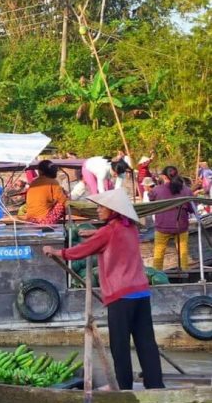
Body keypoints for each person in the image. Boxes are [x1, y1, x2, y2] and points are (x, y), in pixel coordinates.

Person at [43, 189, 164, 390]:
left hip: (121, 295)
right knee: (146, 342)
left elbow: (81, 251)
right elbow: (111, 236)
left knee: (120, 345)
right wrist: (95, 233)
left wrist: (56, 251)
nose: (98, 210)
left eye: (101, 207)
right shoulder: (130, 227)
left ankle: (123, 387)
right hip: (141, 293)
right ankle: (156, 385)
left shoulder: (109, 232)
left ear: (113, 210)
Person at [149, 165, 193, 271]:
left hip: (162, 226)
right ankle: (185, 276)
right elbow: (192, 209)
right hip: (181, 226)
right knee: (183, 253)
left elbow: (151, 200)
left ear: (164, 177)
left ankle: (157, 277)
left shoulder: (157, 190)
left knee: (158, 254)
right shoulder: (186, 190)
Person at [25, 159, 68, 224]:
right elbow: (62, 200)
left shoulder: (33, 182)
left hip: (30, 218)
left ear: (40, 171)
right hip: (43, 219)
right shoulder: (53, 182)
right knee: (62, 204)